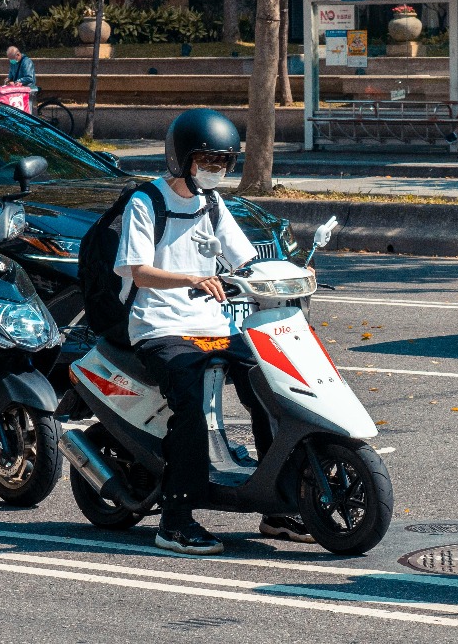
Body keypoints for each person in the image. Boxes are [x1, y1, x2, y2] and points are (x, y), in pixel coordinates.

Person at [114, 107, 313, 555]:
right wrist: (190, 279)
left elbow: (245, 260)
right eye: (206, 161)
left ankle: (278, 505)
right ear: (180, 159)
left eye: (222, 163)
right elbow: (137, 271)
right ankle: (176, 519)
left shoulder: (213, 203)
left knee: (271, 387)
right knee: (190, 405)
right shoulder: (146, 202)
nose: (214, 171)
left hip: (214, 323)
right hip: (160, 325)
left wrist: (285, 275)